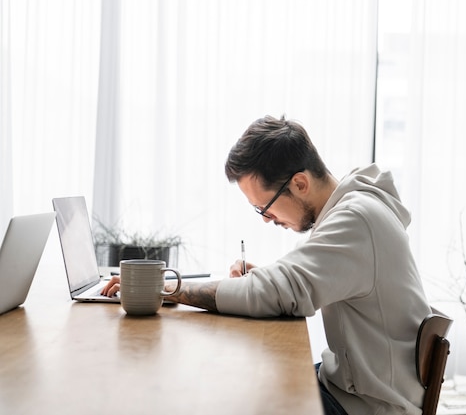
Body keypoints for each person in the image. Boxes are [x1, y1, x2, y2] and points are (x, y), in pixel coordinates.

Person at [102, 115, 432, 415]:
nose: (266, 220)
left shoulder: (356, 220)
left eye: (266, 208)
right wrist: (261, 280)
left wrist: (168, 288)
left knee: (238, 395)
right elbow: (291, 285)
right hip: (356, 387)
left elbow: (279, 292)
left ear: (300, 183)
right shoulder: (356, 209)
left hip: (372, 406)